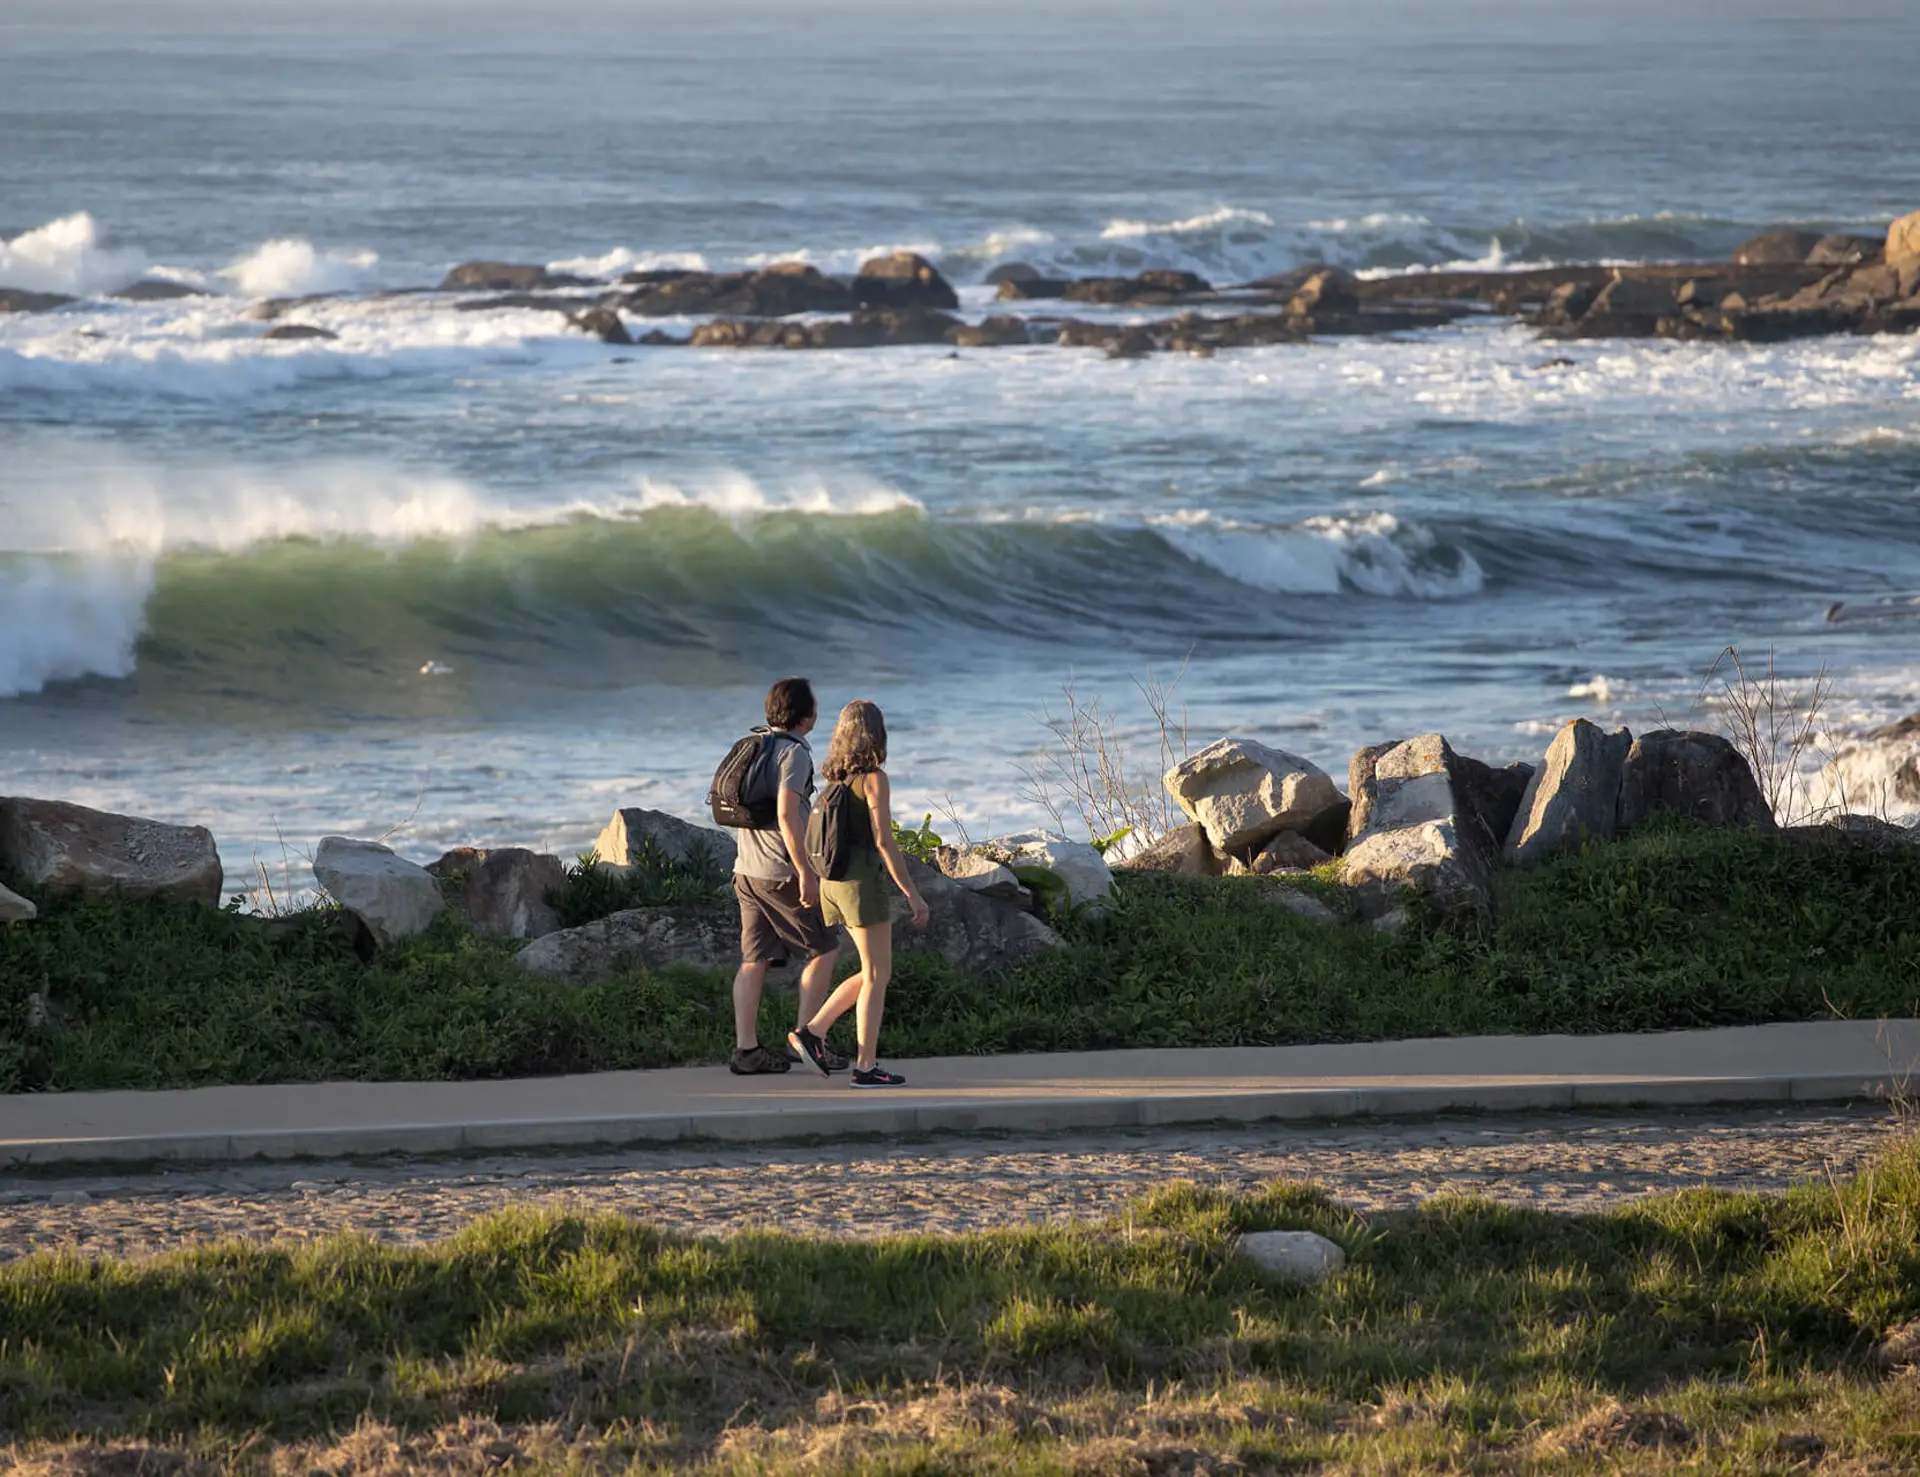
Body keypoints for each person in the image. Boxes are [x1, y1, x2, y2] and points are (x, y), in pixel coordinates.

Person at [788, 699, 929, 1088]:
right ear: (877, 734)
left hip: (832, 885)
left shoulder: (835, 780)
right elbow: (884, 841)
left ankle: (813, 1031)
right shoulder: (873, 778)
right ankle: (865, 1066)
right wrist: (913, 894)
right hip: (859, 887)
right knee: (878, 975)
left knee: (872, 972)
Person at [730, 677, 848, 1076]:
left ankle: (746, 1051)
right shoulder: (794, 755)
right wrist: (805, 873)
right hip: (780, 872)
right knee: (824, 948)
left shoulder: (756, 745)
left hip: (745, 869)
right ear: (805, 716)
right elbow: (785, 814)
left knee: (754, 959)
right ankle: (809, 1039)